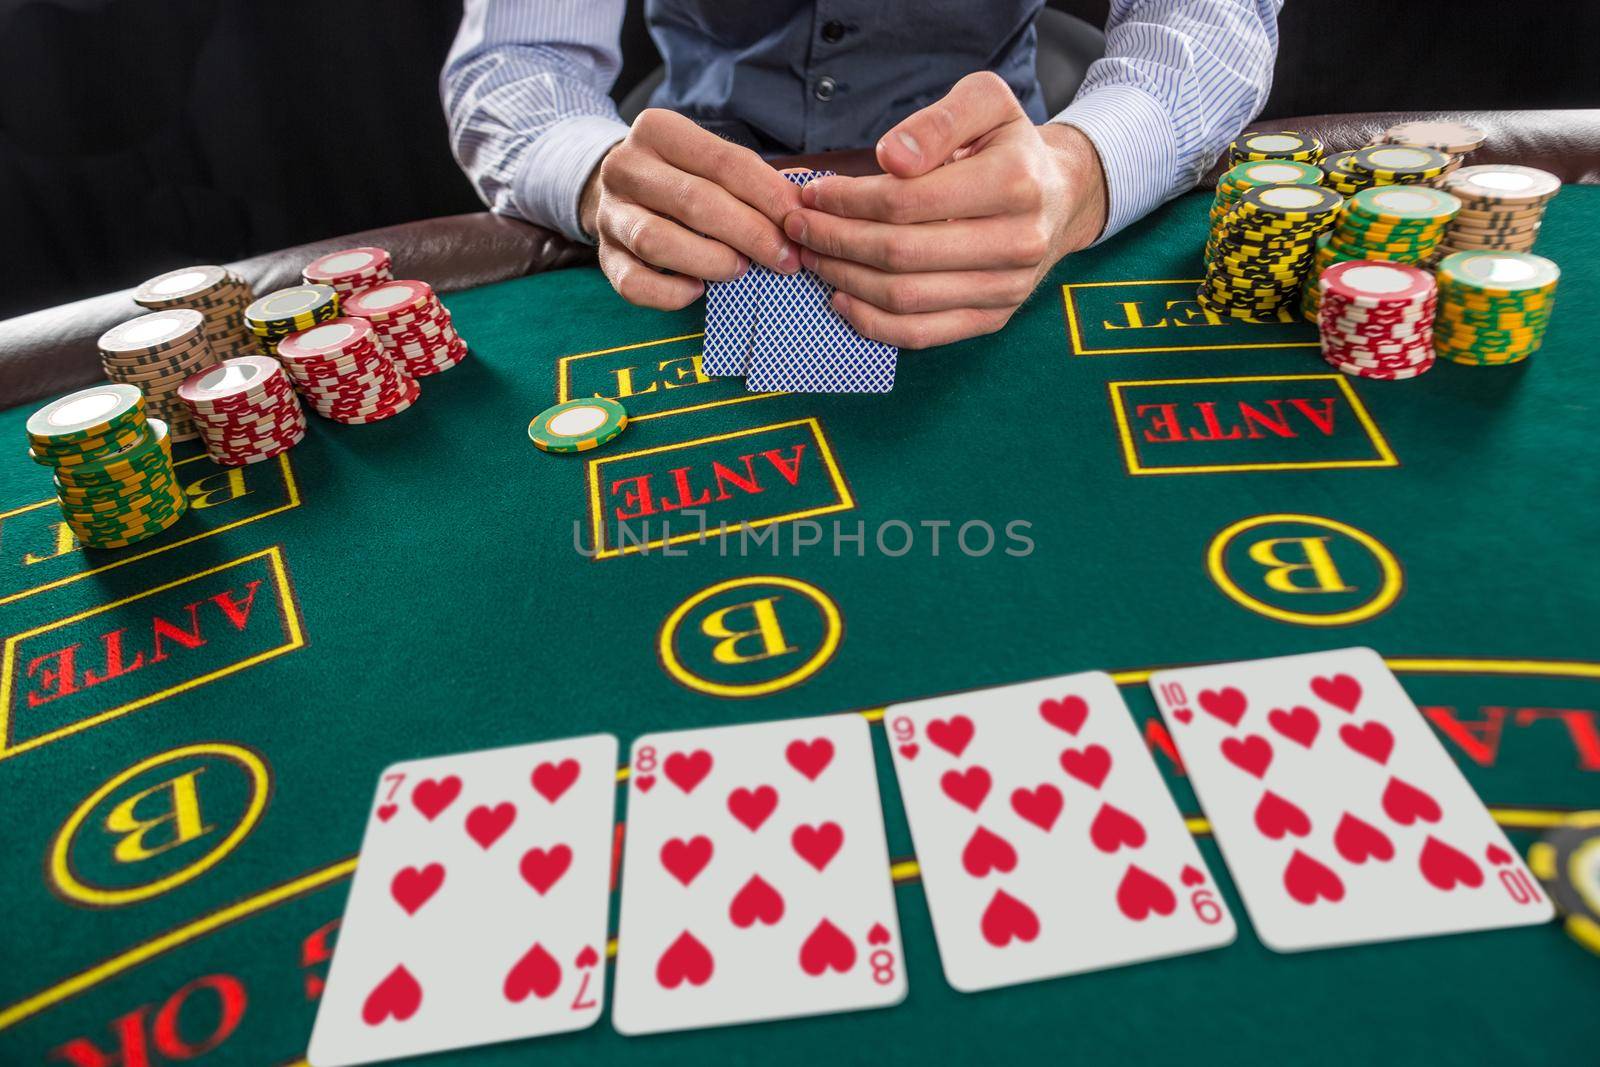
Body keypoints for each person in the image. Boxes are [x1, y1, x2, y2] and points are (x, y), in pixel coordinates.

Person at [442, 2, 1281, 349]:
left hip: (1004, 186)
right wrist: (595, 172)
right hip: (700, 219)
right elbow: (517, 57)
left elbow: (1210, 16)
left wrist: (1082, 170)